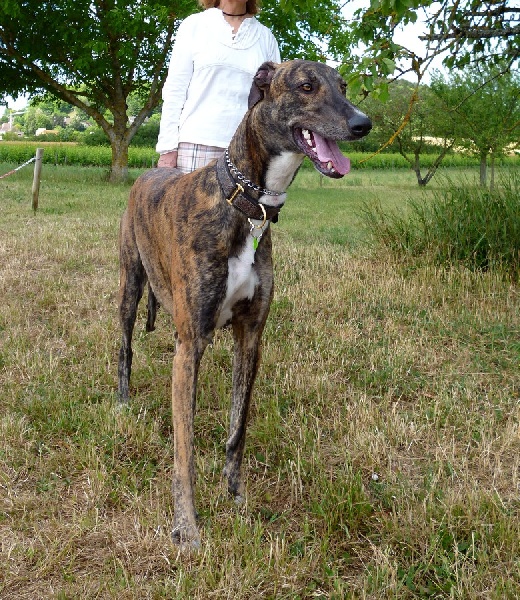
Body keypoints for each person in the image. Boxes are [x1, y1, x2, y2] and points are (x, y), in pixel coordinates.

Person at [156, 0, 280, 172]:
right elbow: (175, 89)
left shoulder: (266, 38)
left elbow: (272, 101)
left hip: (246, 150)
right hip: (195, 146)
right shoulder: (194, 25)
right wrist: (167, 147)